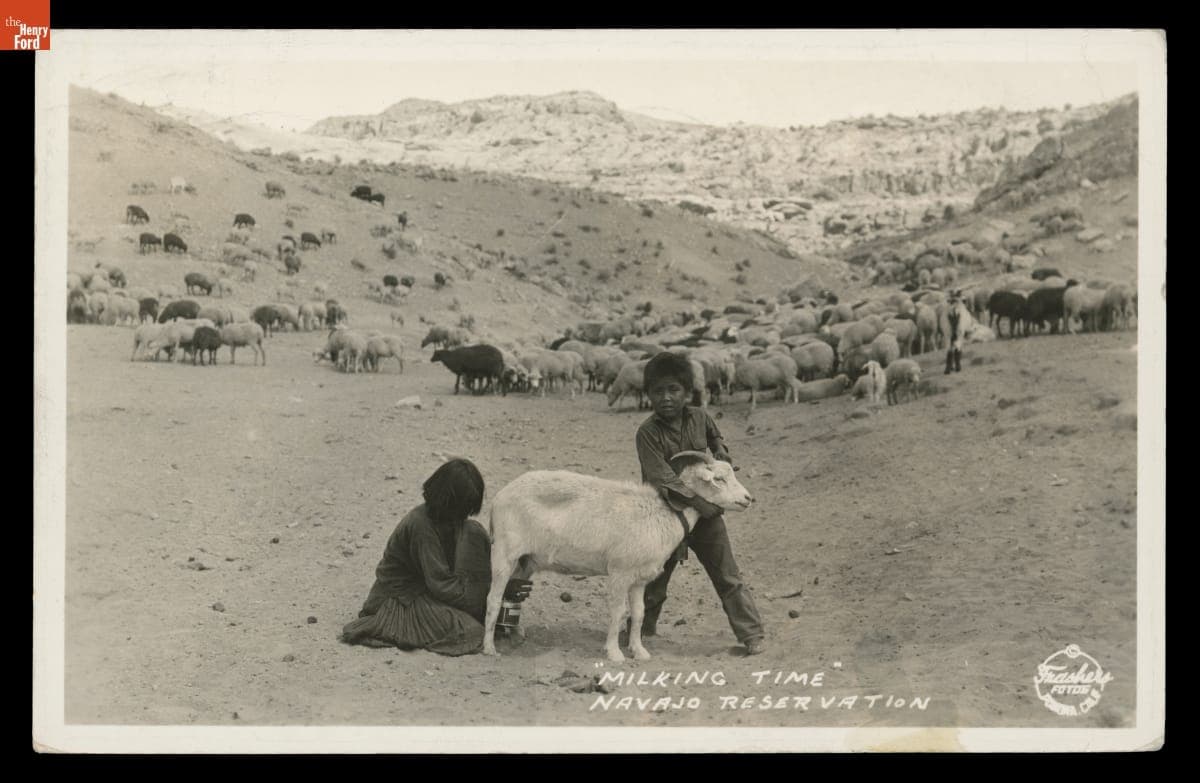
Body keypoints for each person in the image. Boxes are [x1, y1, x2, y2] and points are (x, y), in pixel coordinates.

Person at [632, 351, 767, 656]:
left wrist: (721, 452)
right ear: (648, 394)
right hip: (665, 516)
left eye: (674, 390)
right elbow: (662, 477)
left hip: (705, 518)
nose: (666, 398)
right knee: (654, 576)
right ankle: (641, 629)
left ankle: (751, 634)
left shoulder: (700, 417)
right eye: (658, 391)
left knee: (727, 573)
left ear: (687, 392)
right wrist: (698, 503)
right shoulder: (647, 433)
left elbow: (715, 438)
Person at [340, 458, 532, 656]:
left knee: (474, 533)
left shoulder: (456, 524)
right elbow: (442, 586)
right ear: (448, 502)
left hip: (431, 591)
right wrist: (495, 592)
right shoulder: (421, 527)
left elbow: (475, 571)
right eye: (461, 510)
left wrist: (504, 583)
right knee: (470, 632)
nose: (463, 517)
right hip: (401, 599)